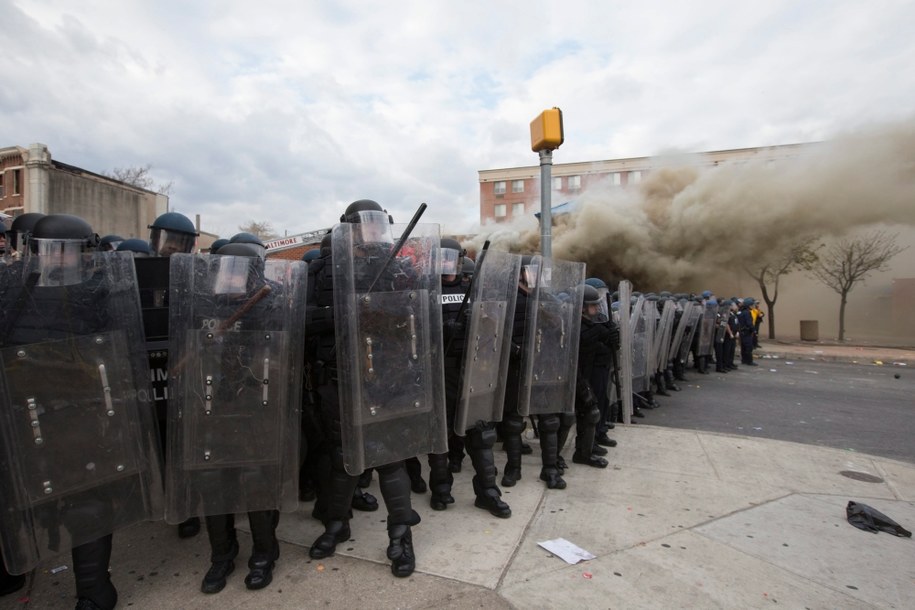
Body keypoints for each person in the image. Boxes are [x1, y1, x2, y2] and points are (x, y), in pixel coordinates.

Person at [0, 214, 163, 610]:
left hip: (43, 415)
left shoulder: (10, 288)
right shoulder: (90, 290)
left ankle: (69, 584)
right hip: (67, 413)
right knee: (85, 502)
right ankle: (93, 591)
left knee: (56, 500)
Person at [307, 200, 432, 578]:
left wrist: (383, 311)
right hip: (338, 375)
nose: (375, 234)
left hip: (387, 375)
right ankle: (336, 523)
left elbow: (418, 317)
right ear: (350, 229)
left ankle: (400, 536)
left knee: (390, 456)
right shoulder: (322, 269)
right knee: (346, 456)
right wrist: (345, 313)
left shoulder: (399, 269)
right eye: (368, 227)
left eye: (381, 227)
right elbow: (303, 319)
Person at [428, 239, 511, 517]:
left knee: (481, 434)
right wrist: (441, 330)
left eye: (450, 259)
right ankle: (441, 489)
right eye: (441, 258)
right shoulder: (426, 292)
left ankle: (487, 492)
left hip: (474, 370)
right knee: (440, 436)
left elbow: (492, 328)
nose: (446, 265)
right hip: (441, 372)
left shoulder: (472, 291)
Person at [737, 297, 758, 366]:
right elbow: (749, 323)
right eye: (752, 305)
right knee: (749, 347)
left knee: (743, 346)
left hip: (742, 331)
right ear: (749, 305)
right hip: (746, 331)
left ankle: (744, 360)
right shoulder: (747, 312)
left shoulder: (741, 311)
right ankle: (749, 361)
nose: (753, 306)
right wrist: (754, 330)